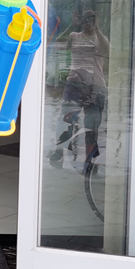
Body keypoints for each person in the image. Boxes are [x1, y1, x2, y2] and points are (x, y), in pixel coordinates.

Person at [49, 9, 110, 170]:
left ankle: (90, 160)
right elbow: (58, 44)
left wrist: (97, 29)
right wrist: (71, 25)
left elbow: (108, 51)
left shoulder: (100, 38)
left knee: (92, 125)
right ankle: (59, 151)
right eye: (86, 19)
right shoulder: (74, 36)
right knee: (65, 120)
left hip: (95, 86)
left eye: (92, 19)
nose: (88, 22)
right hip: (74, 85)